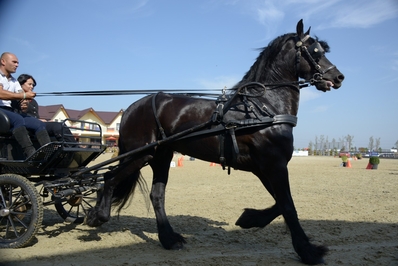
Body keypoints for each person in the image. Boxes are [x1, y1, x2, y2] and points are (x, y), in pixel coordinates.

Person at [0, 52, 51, 158]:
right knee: (18, 120)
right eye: (14, 62)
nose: (17, 65)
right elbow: (1, 93)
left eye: (18, 63)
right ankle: (30, 153)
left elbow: (20, 95)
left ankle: (48, 154)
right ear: (3, 61)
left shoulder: (14, 81)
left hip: (8, 110)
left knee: (39, 124)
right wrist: (23, 95)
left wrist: (24, 103)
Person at [13, 74, 76, 143]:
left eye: (33, 85)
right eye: (29, 84)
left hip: (37, 124)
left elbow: (36, 116)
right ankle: (71, 146)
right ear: (21, 84)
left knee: (61, 125)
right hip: (28, 125)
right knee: (57, 126)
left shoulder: (33, 101)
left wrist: (44, 120)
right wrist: (39, 120)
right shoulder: (16, 99)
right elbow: (18, 115)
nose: (32, 87)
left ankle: (72, 146)